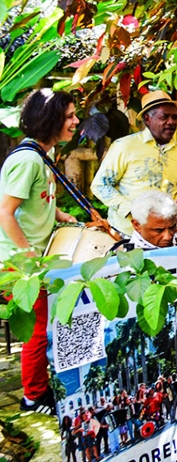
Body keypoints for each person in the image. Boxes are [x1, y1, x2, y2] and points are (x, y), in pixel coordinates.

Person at [0, 89, 79, 415]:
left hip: (35, 260)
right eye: (70, 116)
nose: (76, 122)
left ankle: (40, 388)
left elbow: (31, 203)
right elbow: (5, 212)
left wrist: (59, 215)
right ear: (52, 120)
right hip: (20, 265)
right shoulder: (27, 160)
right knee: (35, 333)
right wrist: (29, 257)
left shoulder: (43, 157)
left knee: (42, 330)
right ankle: (33, 397)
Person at [91, 90, 177, 236]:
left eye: (174, 117)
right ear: (147, 119)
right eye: (164, 117)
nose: (171, 122)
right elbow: (100, 185)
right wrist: (132, 211)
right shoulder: (124, 146)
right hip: (126, 233)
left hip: (165, 236)